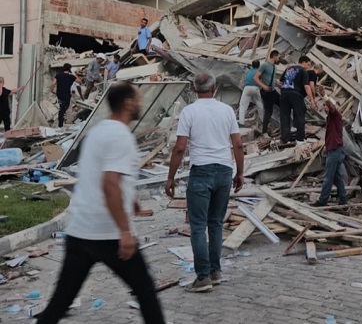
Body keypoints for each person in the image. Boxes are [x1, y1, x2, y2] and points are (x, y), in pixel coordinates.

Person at [37, 82, 166, 324]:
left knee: (60, 302)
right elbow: (109, 184)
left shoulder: (97, 131)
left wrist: (131, 200)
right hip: (108, 234)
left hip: (79, 230)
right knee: (146, 293)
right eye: (137, 99)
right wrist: (125, 231)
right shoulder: (121, 136)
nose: (141, 103)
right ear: (128, 103)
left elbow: (99, 176)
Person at [165, 73, 244, 293]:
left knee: (198, 226)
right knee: (216, 223)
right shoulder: (227, 110)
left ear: (192, 88)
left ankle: (202, 277)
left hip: (201, 172)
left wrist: (170, 177)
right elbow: (237, 144)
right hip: (224, 171)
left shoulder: (189, 112)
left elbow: (180, 147)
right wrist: (240, 173)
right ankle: (215, 271)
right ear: (215, 88)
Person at [313, 98, 347, 207]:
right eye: (323, 105)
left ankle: (323, 200)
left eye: (325, 105)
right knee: (337, 177)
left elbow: (333, 108)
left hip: (335, 151)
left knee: (328, 177)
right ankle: (343, 199)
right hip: (334, 150)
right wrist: (326, 147)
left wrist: (324, 96)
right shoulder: (330, 119)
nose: (324, 107)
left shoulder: (335, 115)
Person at [278, 56, 315, 143]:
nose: (309, 66)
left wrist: (285, 89)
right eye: (308, 64)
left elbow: (280, 82)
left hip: (284, 93)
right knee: (299, 115)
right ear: (304, 62)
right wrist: (312, 100)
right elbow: (306, 86)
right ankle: (300, 137)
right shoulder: (303, 71)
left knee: (284, 116)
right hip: (295, 94)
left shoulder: (288, 68)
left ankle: (285, 137)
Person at [255, 50, 281, 136]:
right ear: (274, 56)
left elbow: (271, 79)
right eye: (278, 57)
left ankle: (286, 126)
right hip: (266, 92)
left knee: (284, 104)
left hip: (273, 91)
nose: (279, 59)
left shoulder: (274, 67)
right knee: (268, 111)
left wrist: (278, 84)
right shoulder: (265, 65)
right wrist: (264, 86)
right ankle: (264, 132)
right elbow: (256, 78)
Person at [238, 60, 264, 126]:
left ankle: (241, 122)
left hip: (247, 88)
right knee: (259, 104)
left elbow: (243, 81)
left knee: (243, 105)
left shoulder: (248, 71)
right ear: (259, 65)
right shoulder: (259, 72)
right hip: (256, 88)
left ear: (252, 65)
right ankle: (263, 120)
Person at [51, 64, 77, 128]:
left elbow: (53, 83)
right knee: (64, 108)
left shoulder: (58, 75)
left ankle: (61, 122)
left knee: (61, 107)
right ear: (69, 69)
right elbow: (79, 81)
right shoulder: (71, 77)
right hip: (66, 94)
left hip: (59, 94)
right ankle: (60, 124)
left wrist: (51, 90)